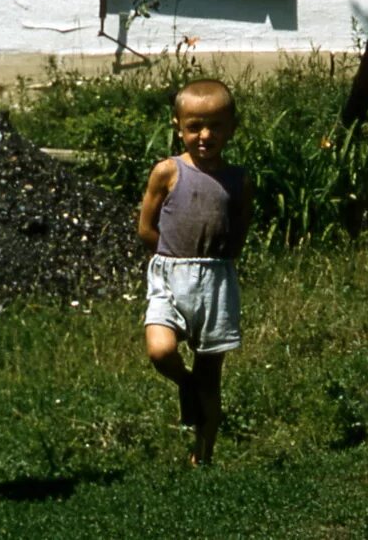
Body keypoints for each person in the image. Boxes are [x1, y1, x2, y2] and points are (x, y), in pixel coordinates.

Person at [137, 79, 252, 466]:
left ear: (232, 127)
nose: (205, 135)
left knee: (211, 372)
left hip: (216, 279)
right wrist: (172, 258)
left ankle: (203, 455)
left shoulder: (238, 179)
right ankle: (185, 385)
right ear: (178, 125)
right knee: (161, 350)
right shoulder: (167, 171)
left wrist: (219, 261)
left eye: (216, 126)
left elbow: (239, 227)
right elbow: (146, 227)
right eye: (194, 126)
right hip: (169, 274)